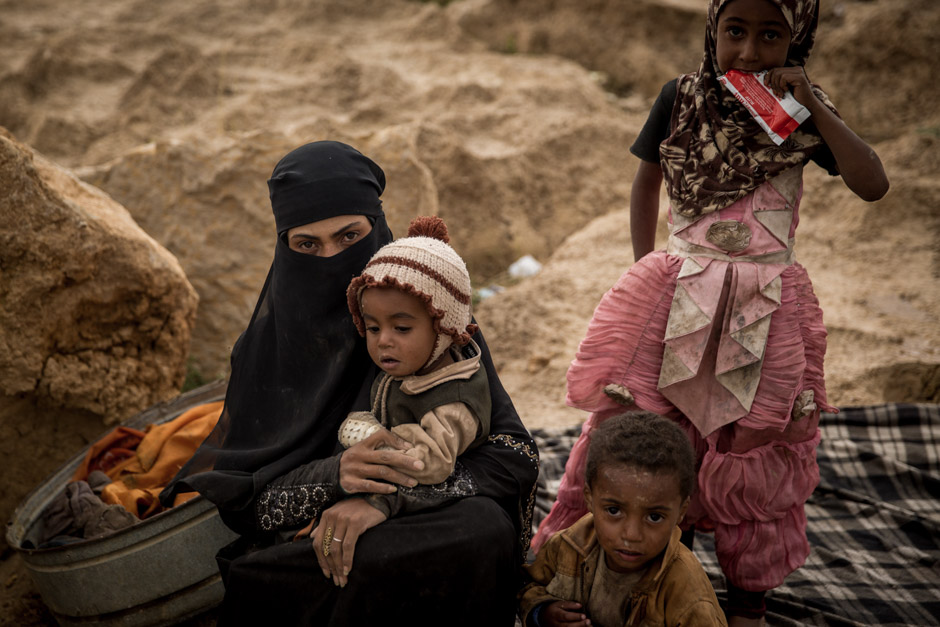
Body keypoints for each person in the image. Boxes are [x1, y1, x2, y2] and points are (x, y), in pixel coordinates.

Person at [531, 1, 888, 625]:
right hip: (678, 292)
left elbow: (872, 182)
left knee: (753, 437)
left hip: (765, 304)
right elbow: (647, 182)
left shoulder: (801, 111)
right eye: (736, 31)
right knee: (647, 417)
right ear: (714, 30)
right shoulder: (682, 97)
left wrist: (815, 107)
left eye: (771, 34)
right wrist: (648, 270)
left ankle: (746, 598)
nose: (749, 51)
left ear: (797, 38)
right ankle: (657, 569)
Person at [159, 140, 539, 625]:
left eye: (349, 237)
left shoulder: (435, 318)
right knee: (275, 576)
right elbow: (250, 506)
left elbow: (514, 454)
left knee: (481, 529)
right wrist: (335, 477)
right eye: (307, 245)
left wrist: (386, 500)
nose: (331, 259)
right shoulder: (267, 352)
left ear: (376, 229)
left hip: (424, 518)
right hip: (312, 540)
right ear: (285, 248)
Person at [519, 411, 727, 627]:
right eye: (614, 511)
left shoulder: (689, 593)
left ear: (682, 511)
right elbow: (529, 587)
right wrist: (543, 612)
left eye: (654, 517)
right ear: (589, 498)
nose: (631, 535)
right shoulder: (569, 546)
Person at [338, 215, 492, 488]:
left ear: (445, 329)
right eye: (373, 328)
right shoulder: (413, 367)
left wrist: (377, 435)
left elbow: (431, 464)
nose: (383, 340)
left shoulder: (452, 400)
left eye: (401, 328)